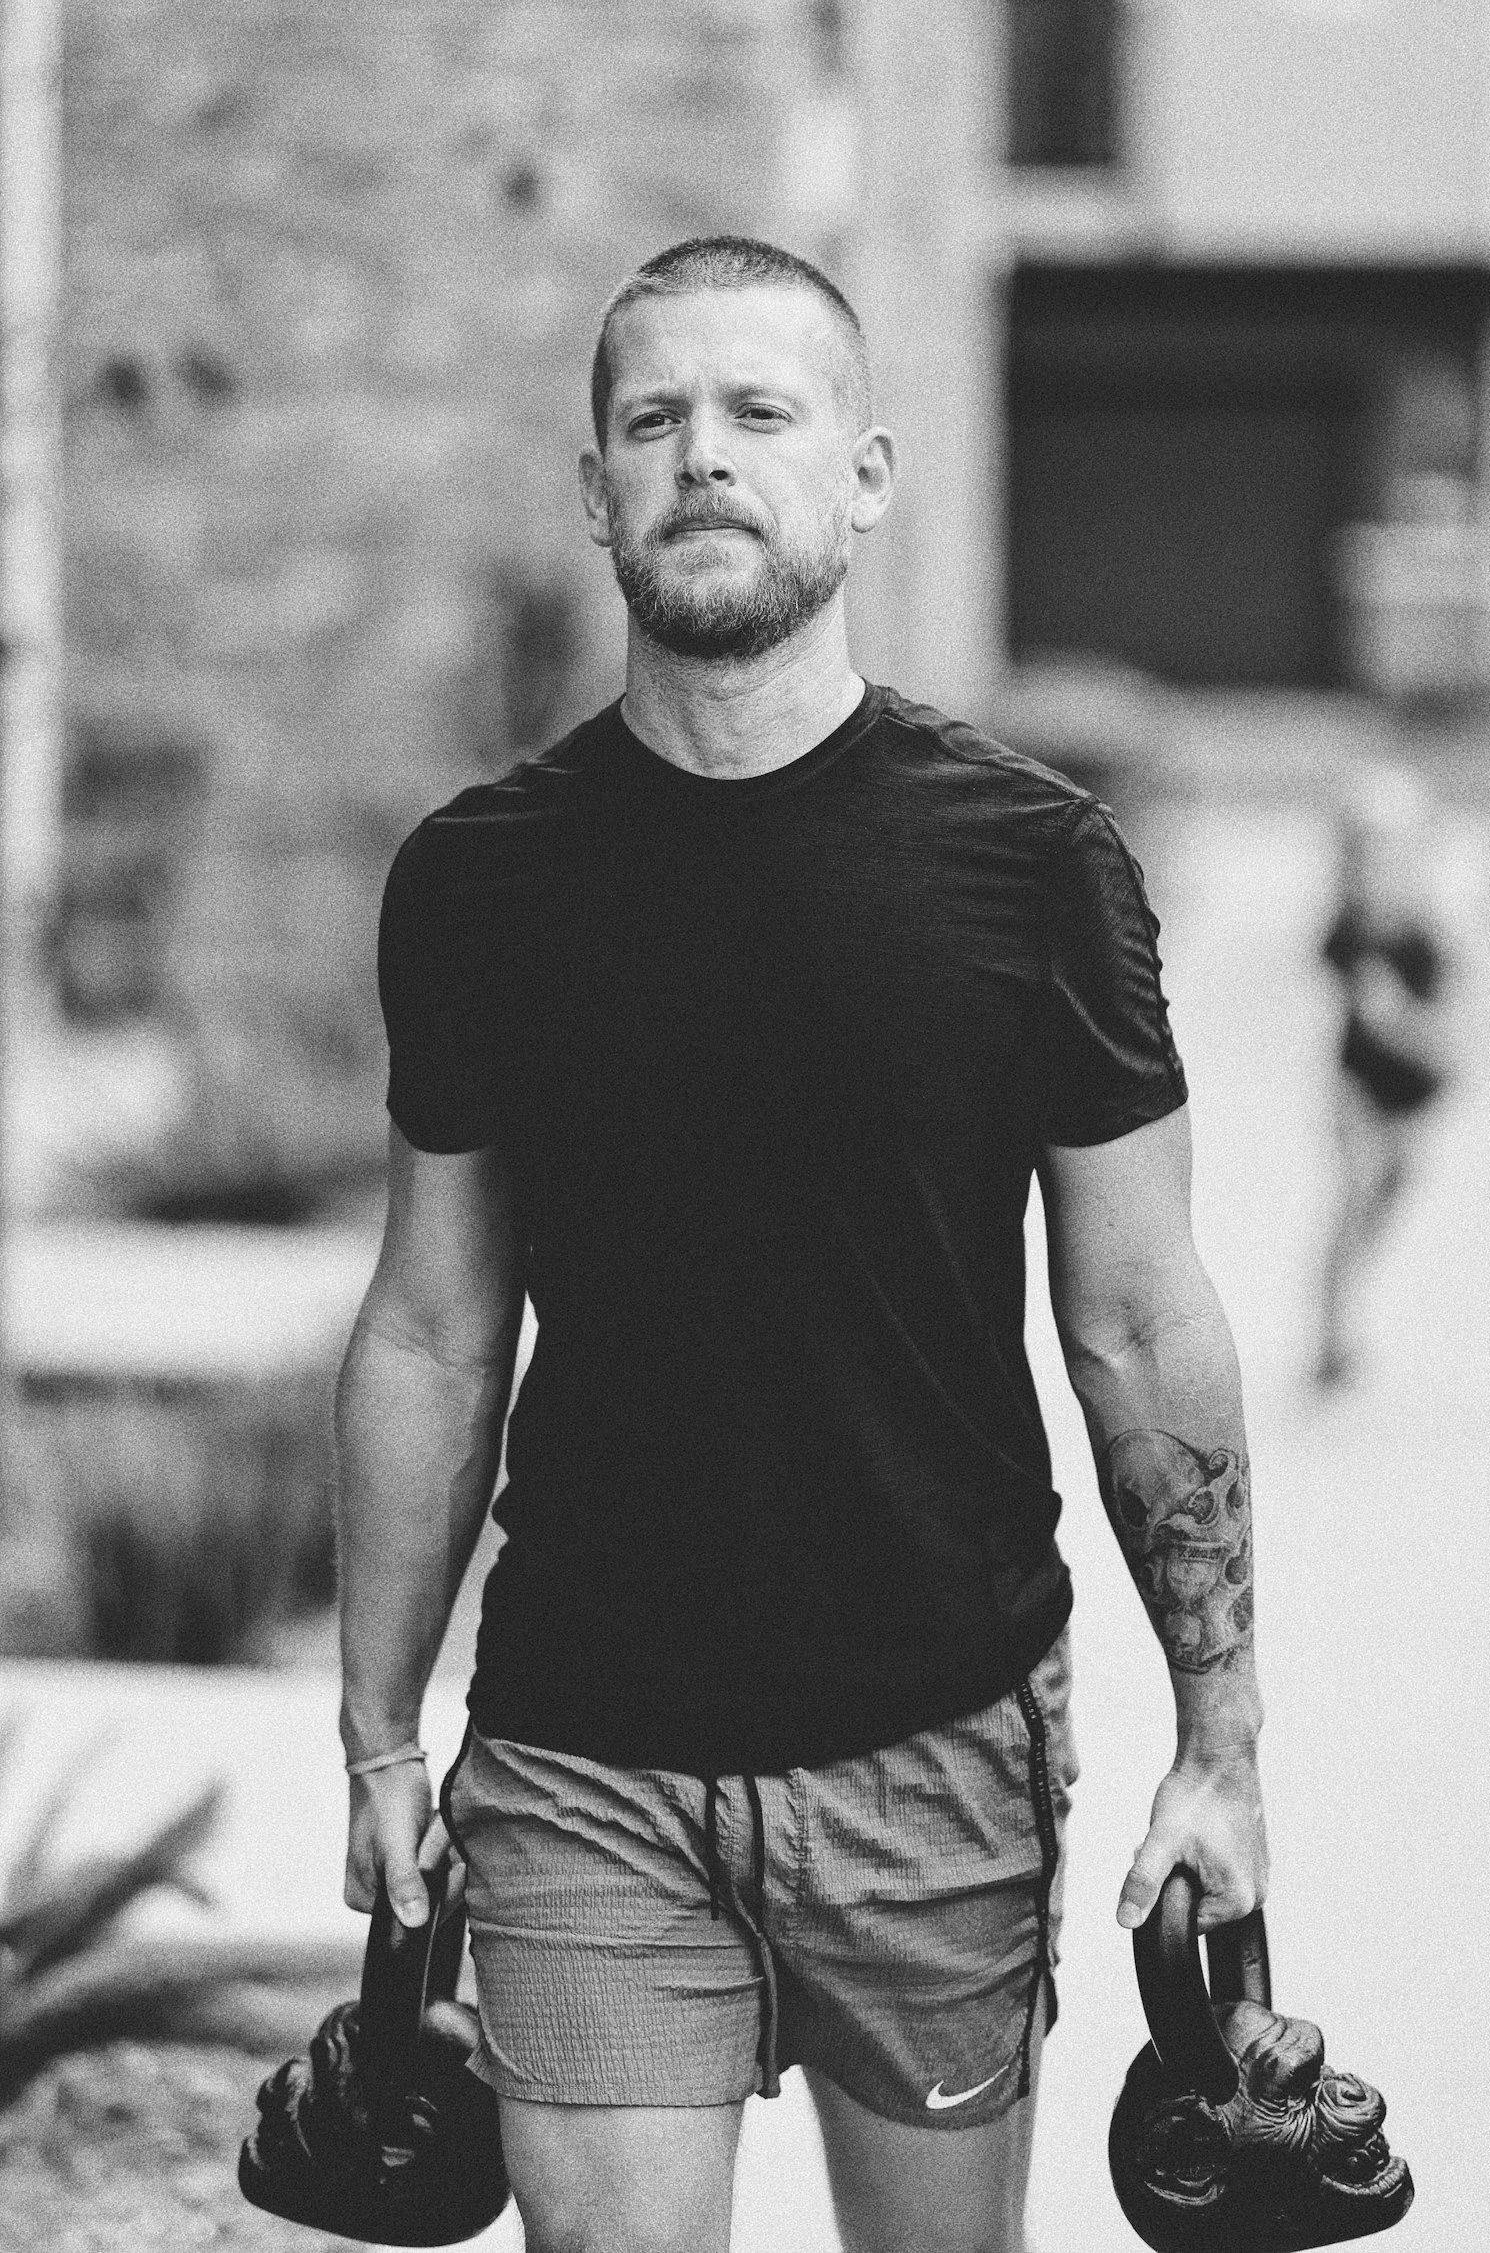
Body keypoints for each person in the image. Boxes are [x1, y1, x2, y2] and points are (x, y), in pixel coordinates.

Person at [335, 236, 1268, 2253]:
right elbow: (429, 1324)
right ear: (593, 487)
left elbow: (1134, 1314)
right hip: (585, 1741)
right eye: (651, 418)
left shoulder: (1031, 866)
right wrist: (377, 1731)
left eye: (759, 411)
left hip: (931, 1732)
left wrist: (1221, 1742)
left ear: (860, 471)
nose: (702, 457)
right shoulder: (481, 881)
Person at [1314, 765, 1451, 1392]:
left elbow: (1444, 1002)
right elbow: (1376, 1011)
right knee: (1356, 1200)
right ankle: (1333, 1334)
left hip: (1409, 1091)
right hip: (1362, 1087)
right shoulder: (1356, 931)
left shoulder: (1422, 929)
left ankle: (1340, 1318)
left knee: (1386, 1200)